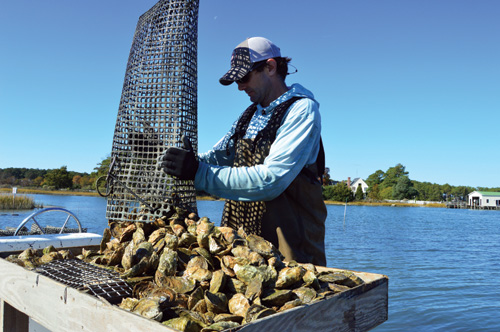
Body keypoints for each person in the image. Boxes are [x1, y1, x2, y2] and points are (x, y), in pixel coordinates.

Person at [161, 37, 327, 266]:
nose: (240, 87)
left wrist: (198, 172)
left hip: (291, 251)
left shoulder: (301, 110)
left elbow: (271, 180)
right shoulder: (249, 116)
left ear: (270, 67)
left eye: (244, 77)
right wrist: (171, 156)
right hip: (244, 245)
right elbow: (216, 157)